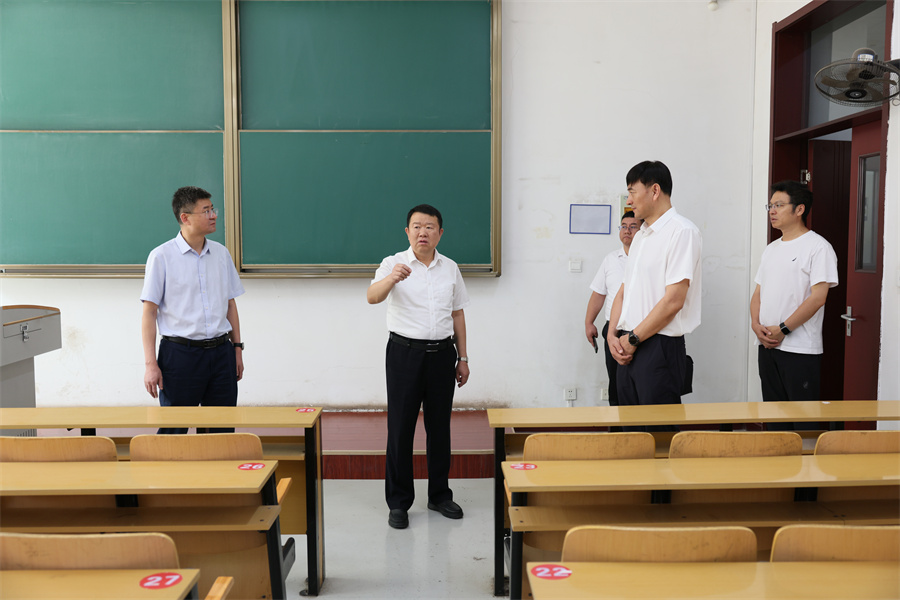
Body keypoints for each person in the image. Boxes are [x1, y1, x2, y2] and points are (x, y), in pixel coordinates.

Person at [367, 204, 470, 530]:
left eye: (429, 227)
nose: (422, 232)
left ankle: (439, 495)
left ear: (440, 233)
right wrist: (392, 278)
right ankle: (399, 502)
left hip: (442, 355)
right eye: (416, 226)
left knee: (440, 428)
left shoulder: (450, 268)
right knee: (400, 429)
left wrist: (463, 357)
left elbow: (457, 314)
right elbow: (372, 296)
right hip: (404, 355)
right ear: (407, 231)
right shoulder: (392, 263)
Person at [140, 186, 245, 435]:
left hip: (221, 353)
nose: (213, 215)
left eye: (213, 209)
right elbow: (149, 313)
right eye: (206, 211)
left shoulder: (221, 254)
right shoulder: (161, 256)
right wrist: (150, 364)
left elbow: (230, 304)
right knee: (174, 431)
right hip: (180, 356)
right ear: (185, 217)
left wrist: (237, 349)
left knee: (220, 431)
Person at [607, 161, 702, 420]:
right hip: (627, 345)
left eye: (632, 192)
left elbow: (674, 301)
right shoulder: (641, 236)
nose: (629, 200)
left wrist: (633, 339)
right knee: (630, 430)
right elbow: (624, 290)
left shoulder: (681, 232)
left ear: (655, 190)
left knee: (658, 431)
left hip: (658, 347)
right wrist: (612, 335)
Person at [750, 181, 838, 430]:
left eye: (779, 205)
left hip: (800, 350)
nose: (772, 211)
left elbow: (818, 298)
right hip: (767, 346)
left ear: (799, 209)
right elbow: (758, 294)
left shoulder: (818, 247)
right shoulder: (771, 249)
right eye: (770, 205)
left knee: (803, 421)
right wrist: (756, 325)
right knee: (774, 418)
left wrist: (783, 329)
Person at [585, 211, 642, 407]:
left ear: (642, 230)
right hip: (613, 329)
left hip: (640, 329)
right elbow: (599, 294)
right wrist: (589, 322)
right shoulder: (610, 259)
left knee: (639, 384)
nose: (627, 230)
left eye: (633, 227)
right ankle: (617, 422)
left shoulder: (648, 258)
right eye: (623, 226)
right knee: (616, 383)